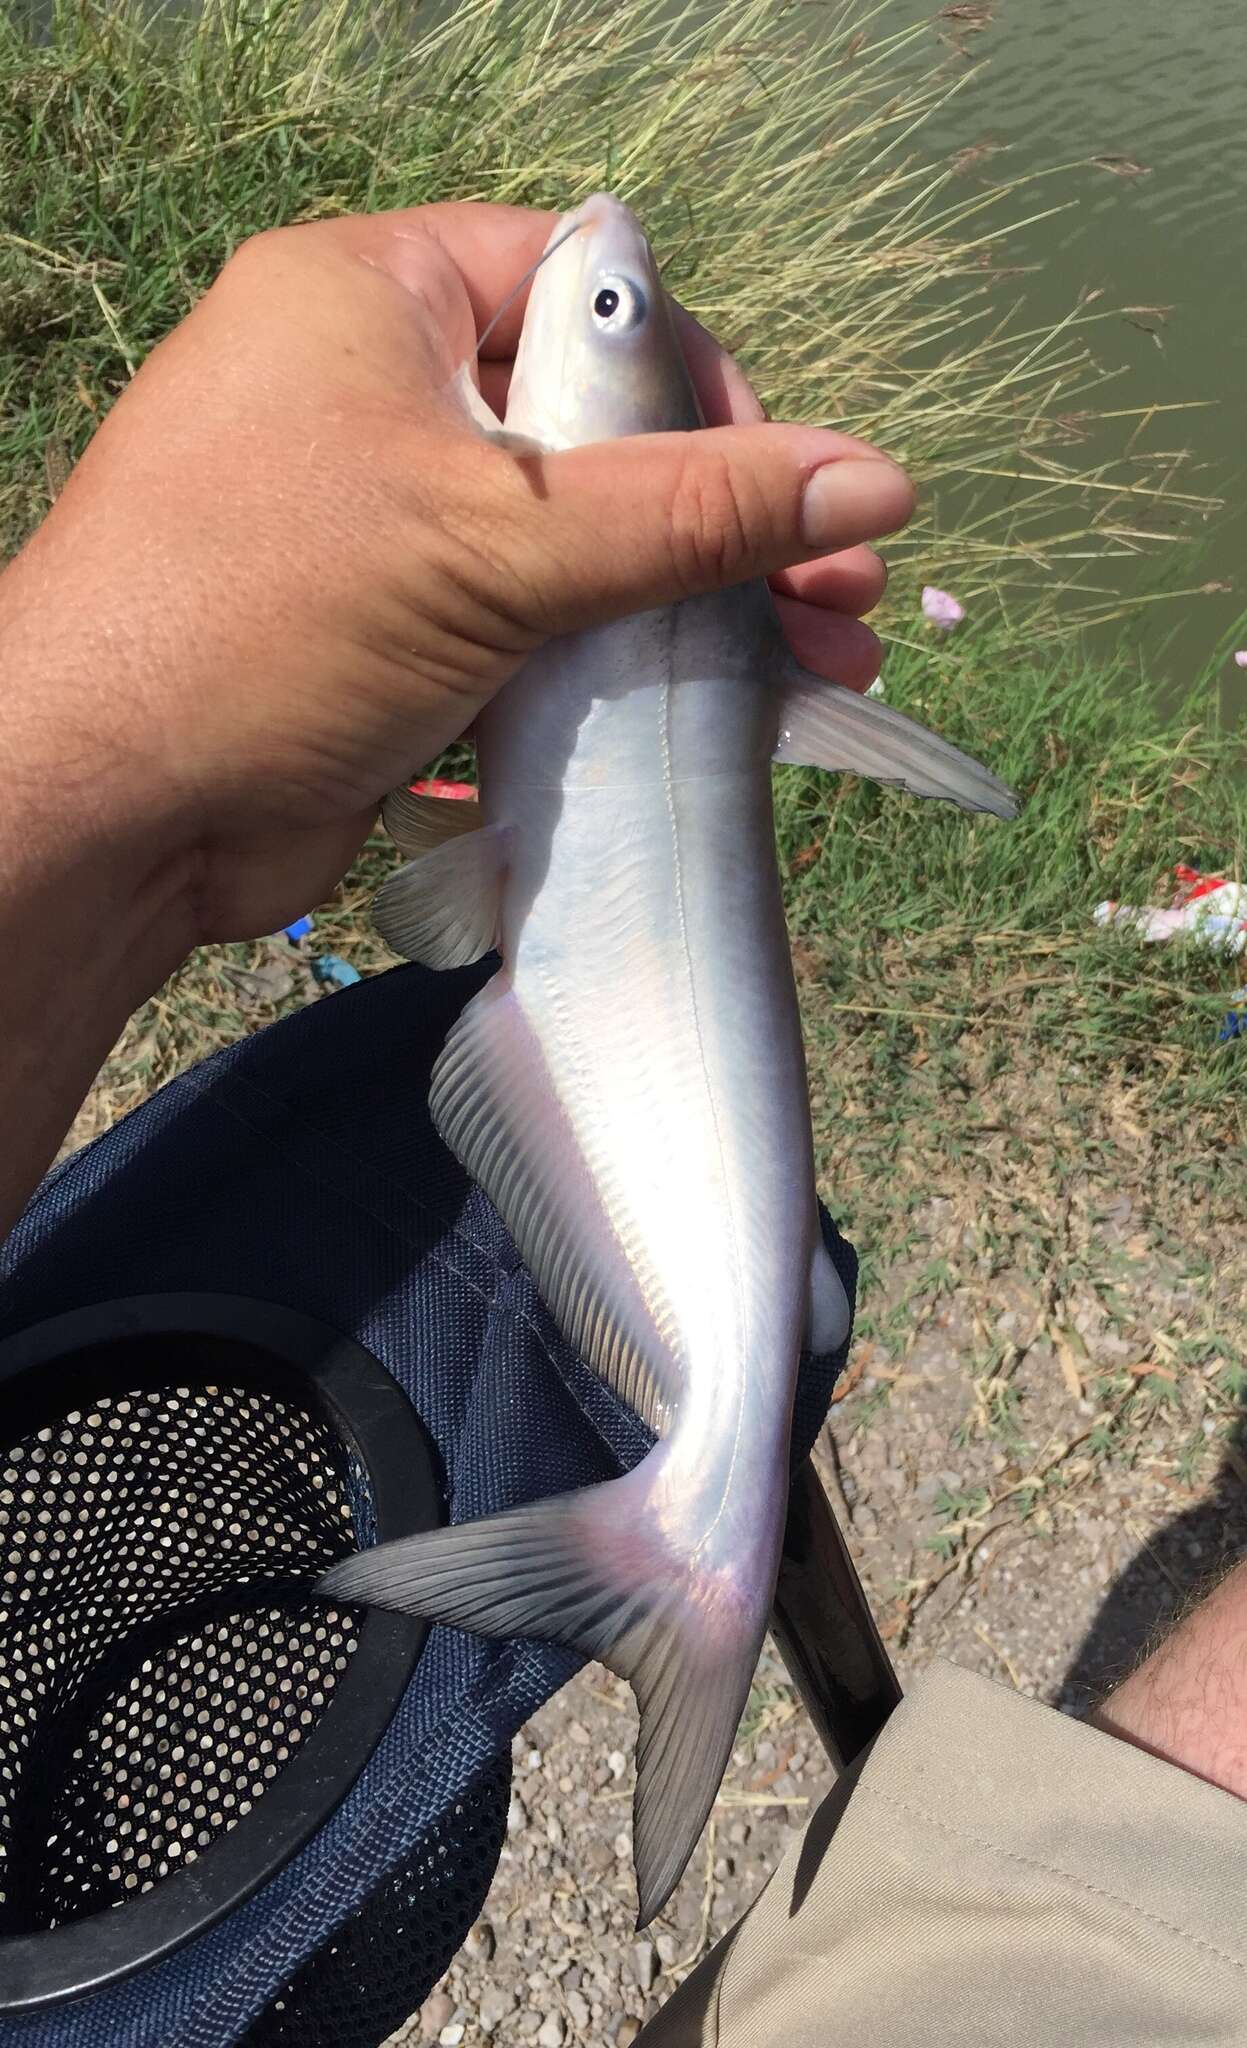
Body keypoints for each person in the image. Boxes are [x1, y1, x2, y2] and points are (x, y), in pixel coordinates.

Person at [0, 203, 1244, 2045]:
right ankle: (698, 1529)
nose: (601, 266)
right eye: (610, 300)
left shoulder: (663, 607)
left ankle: (690, 1529)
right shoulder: (647, 608)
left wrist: (120, 768)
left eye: (603, 310)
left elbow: (448, 906)